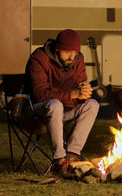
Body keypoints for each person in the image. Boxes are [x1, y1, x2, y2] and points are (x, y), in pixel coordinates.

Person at [24, 29, 99, 172]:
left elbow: (78, 89)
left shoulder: (78, 59)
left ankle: (72, 154)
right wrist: (72, 95)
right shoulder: (39, 58)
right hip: (36, 112)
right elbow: (39, 95)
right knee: (55, 104)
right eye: (67, 52)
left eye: (75, 52)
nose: (72, 57)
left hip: (63, 110)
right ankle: (59, 160)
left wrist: (83, 92)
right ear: (57, 49)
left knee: (92, 104)